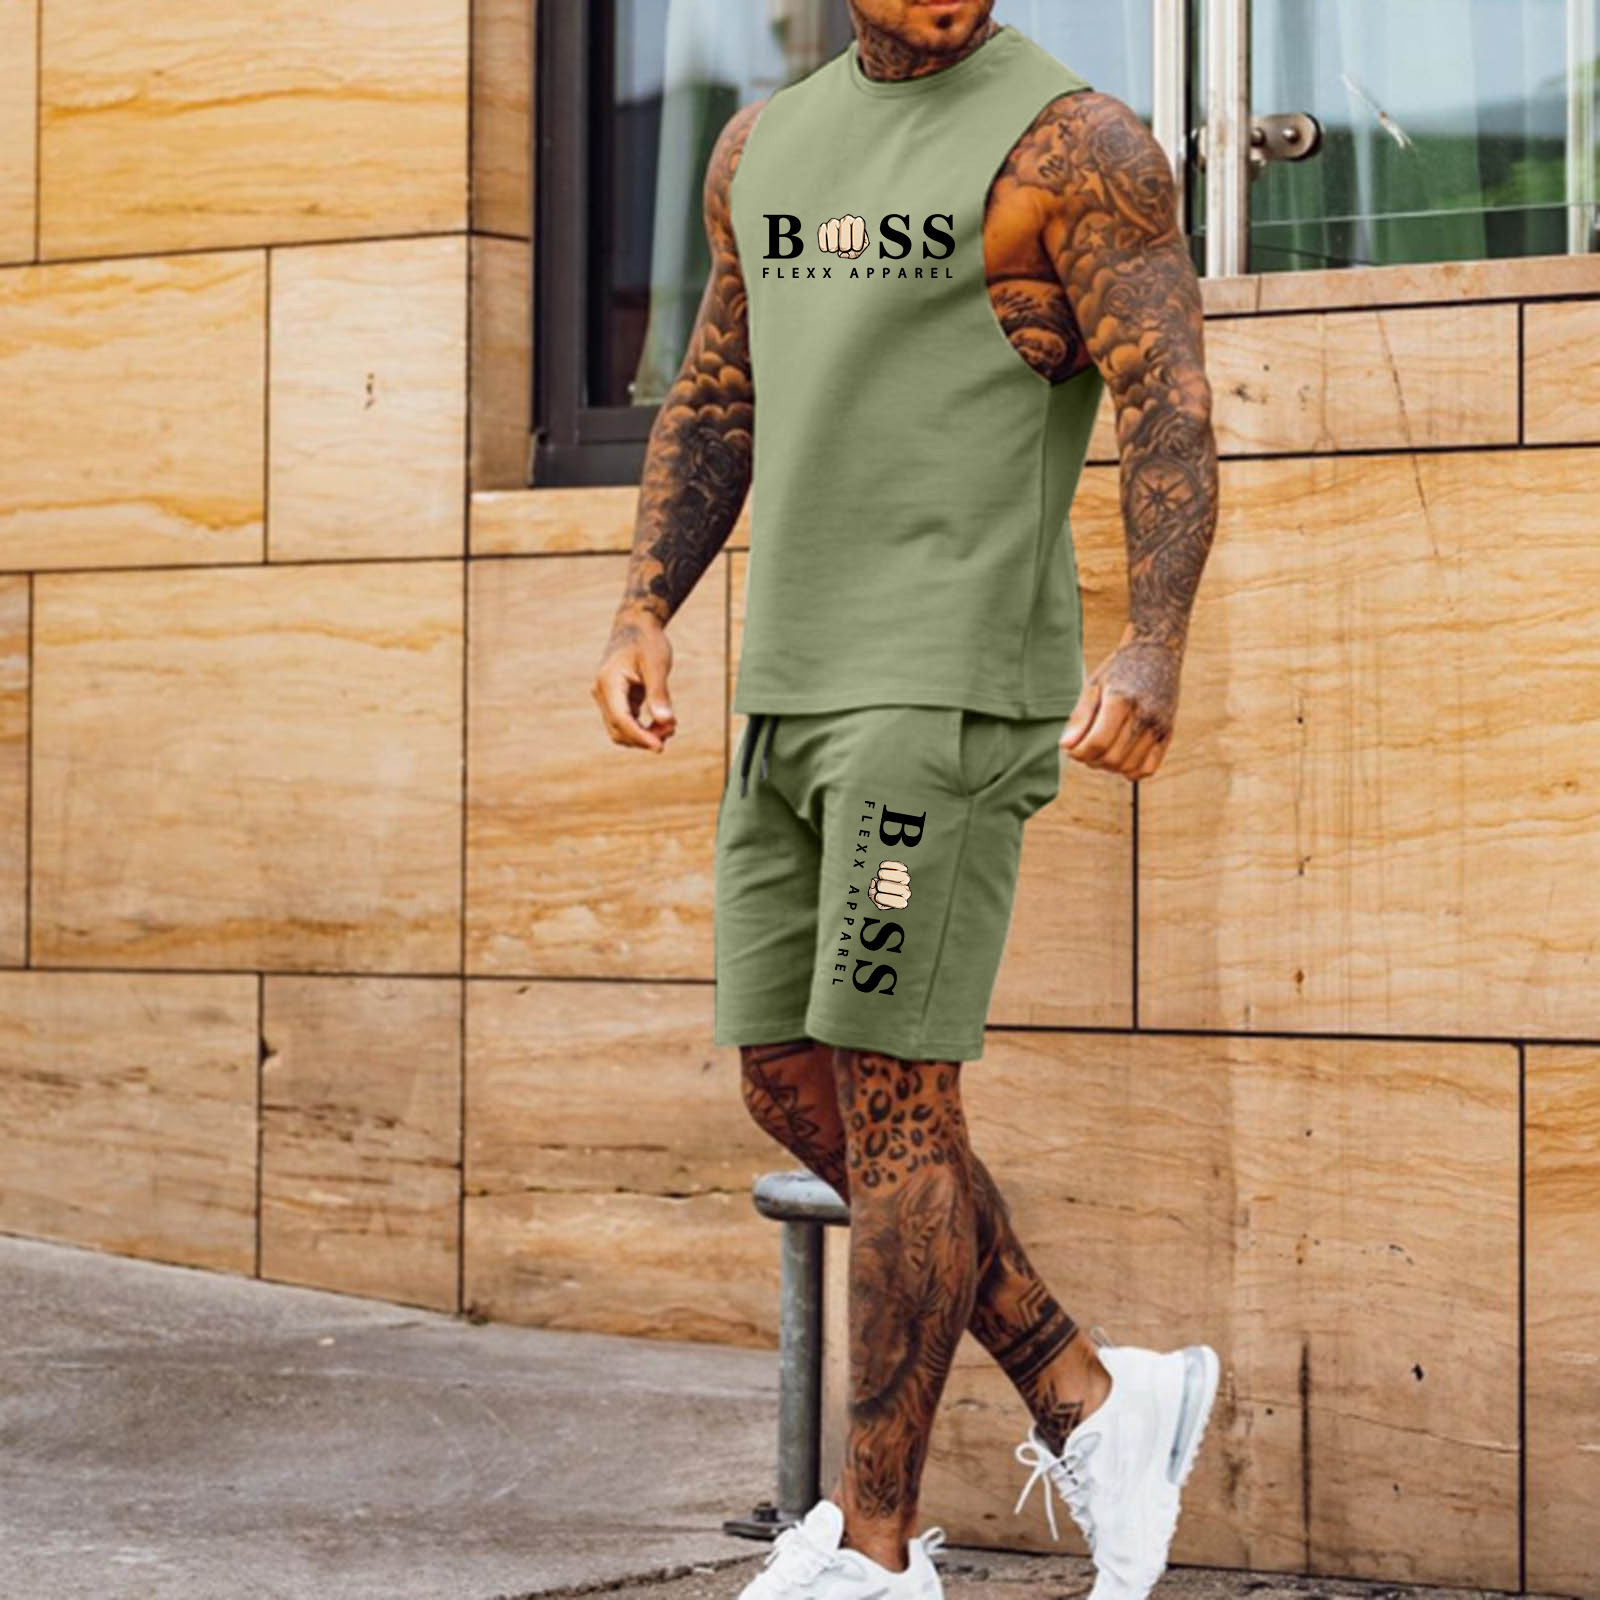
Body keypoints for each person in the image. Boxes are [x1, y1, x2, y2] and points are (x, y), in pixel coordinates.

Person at [592, 2, 1222, 1595]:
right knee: (786, 1081)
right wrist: (644, 606)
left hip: (945, 688)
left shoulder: (1075, 145)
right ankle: (1086, 1390)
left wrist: (1153, 640)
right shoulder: (762, 148)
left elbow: (1166, 400)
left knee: (895, 1101)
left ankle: (872, 1550)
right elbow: (719, 397)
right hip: (788, 683)